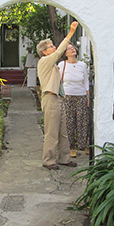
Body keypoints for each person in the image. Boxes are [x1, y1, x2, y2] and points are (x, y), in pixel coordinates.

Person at [37, 21, 79, 170]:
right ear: (44, 51)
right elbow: (60, 51)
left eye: (53, 46)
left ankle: (64, 158)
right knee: (52, 131)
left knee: (63, 131)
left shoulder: (52, 65)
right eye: (51, 47)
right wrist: (71, 32)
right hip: (50, 98)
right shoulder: (44, 61)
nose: (54, 48)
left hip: (58, 98)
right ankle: (48, 160)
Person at [57, 43, 89, 158]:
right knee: (69, 122)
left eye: (73, 48)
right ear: (65, 53)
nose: (72, 49)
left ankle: (84, 145)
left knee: (83, 121)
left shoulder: (82, 65)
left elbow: (86, 82)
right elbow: (59, 82)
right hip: (68, 96)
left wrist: (87, 97)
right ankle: (71, 147)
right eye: (69, 49)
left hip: (81, 96)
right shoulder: (62, 65)